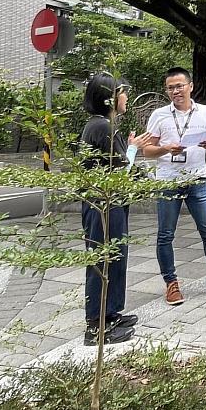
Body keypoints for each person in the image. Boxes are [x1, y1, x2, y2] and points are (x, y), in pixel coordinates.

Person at [143, 67, 206, 305]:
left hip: (197, 179)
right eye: (170, 88)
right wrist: (166, 148)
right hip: (168, 180)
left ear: (191, 86)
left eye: (179, 86)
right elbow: (147, 150)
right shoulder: (159, 115)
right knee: (166, 234)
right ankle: (171, 283)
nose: (175, 91)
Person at [80, 72, 152, 346]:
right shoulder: (102, 127)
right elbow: (122, 172)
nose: (126, 98)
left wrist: (130, 147)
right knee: (103, 261)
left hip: (110, 205)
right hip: (102, 207)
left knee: (115, 257)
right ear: (109, 98)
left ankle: (110, 315)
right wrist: (133, 148)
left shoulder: (103, 126)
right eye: (123, 93)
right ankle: (96, 327)